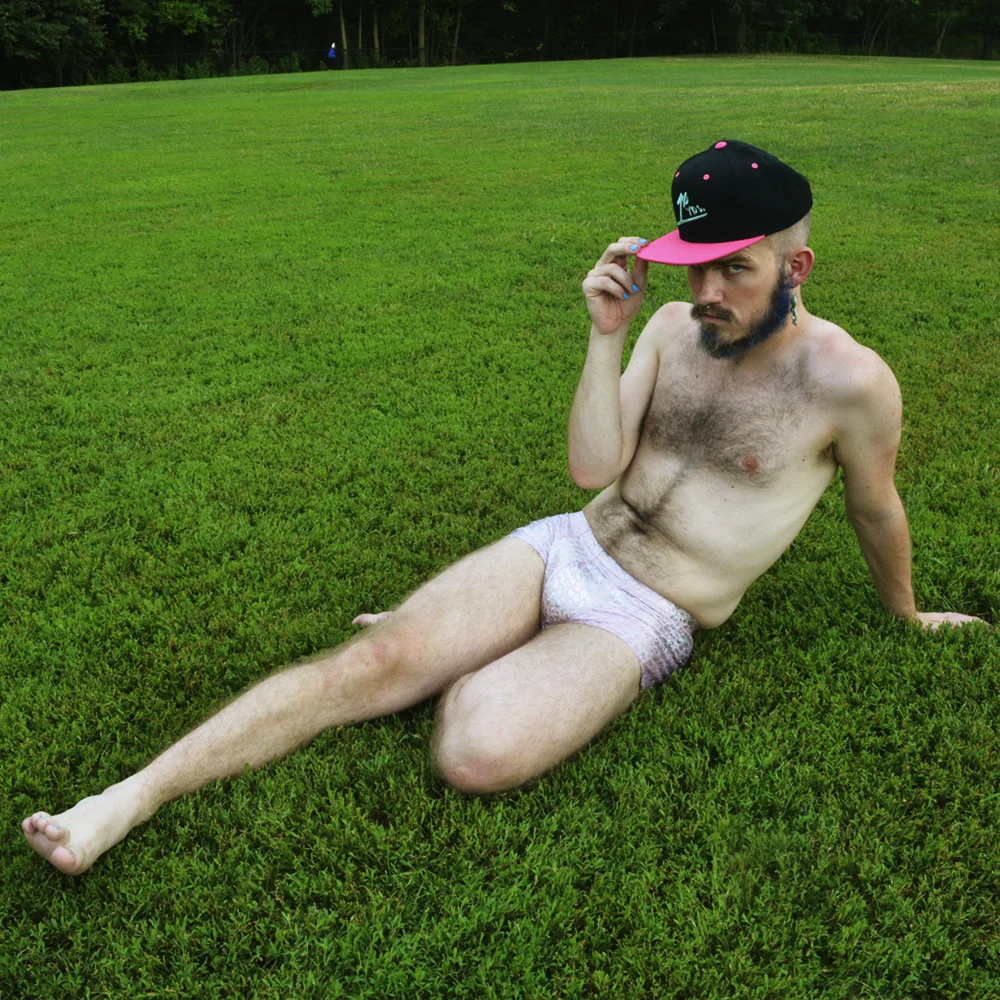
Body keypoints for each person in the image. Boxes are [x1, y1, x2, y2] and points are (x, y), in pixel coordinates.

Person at [22, 139, 989, 875]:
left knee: (475, 753)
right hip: (566, 544)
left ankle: (457, 646)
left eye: (734, 267)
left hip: (648, 611)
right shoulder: (667, 327)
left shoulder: (850, 384)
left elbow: (874, 509)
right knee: (370, 664)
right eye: (695, 264)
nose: (706, 290)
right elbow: (590, 467)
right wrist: (605, 336)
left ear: (796, 269)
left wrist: (905, 612)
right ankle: (127, 799)